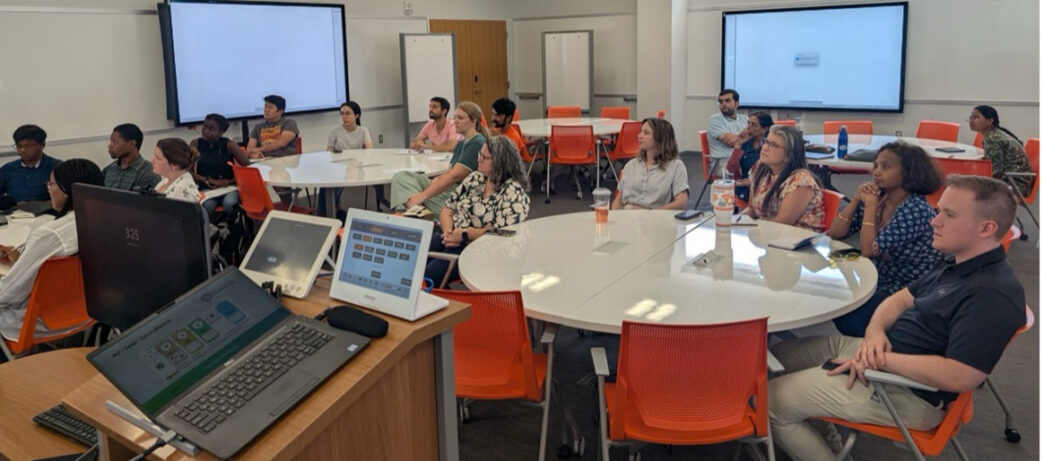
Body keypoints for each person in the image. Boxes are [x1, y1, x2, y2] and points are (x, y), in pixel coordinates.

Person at [768, 175, 1025, 461]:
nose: (934, 221)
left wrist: (876, 361)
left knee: (771, 400)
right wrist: (876, 331)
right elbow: (901, 298)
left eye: (948, 215)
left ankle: (810, 431)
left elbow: (961, 376)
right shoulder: (959, 261)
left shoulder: (990, 295)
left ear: (986, 228)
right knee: (777, 358)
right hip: (883, 354)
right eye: (939, 211)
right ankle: (824, 436)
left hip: (909, 391)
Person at [827, 142, 943, 336]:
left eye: (886, 166)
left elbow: (868, 250)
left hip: (905, 286)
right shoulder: (881, 198)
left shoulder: (915, 208)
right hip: (880, 274)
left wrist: (870, 207)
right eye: (876, 166)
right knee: (830, 278)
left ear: (908, 172)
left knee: (849, 318)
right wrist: (856, 199)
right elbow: (836, 232)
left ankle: (873, 351)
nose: (877, 172)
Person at [0, 159, 104, 341]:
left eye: (51, 183)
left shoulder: (50, 235)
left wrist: (15, 272)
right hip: (88, 312)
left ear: (66, 189)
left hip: (39, 321)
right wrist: (20, 261)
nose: (48, 188)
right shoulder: (109, 222)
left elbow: (10, 293)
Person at [426, 136, 530, 284]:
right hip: (452, 236)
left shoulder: (513, 193)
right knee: (414, 259)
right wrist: (449, 232)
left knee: (426, 276)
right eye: (479, 155)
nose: (479, 159)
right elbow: (448, 208)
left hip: (477, 249)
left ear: (500, 162)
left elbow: (504, 232)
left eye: (484, 157)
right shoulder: (476, 178)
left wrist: (463, 234)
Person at [391, 101, 488, 216]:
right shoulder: (462, 143)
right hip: (449, 188)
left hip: (458, 194)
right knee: (402, 176)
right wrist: (436, 180)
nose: (455, 121)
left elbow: (454, 176)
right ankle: (416, 210)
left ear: (473, 121)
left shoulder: (477, 142)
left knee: (411, 194)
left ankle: (413, 211)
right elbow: (448, 172)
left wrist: (422, 195)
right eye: (455, 117)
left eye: (460, 118)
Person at [742, 125, 825, 231]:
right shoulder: (760, 169)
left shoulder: (801, 181)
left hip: (794, 238)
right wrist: (734, 222)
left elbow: (782, 223)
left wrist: (752, 232)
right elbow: (752, 209)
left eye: (773, 145)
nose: (765, 148)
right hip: (767, 232)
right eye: (766, 142)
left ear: (788, 155)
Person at [610, 118, 689, 210]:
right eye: (640, 132)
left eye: (646, 133)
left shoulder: (676, 167)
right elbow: (618, 201)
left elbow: (681, 203)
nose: (639, 136)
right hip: (628, 216)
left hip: (655, 219)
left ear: (660, 138)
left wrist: (649, 214)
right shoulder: (631, 165)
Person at [191, 113, 250, 215]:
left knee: (229, 203)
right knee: (207, 206)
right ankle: (212, 230)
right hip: (207, 187)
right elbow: (187, 171)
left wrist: (229, 181)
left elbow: (248, 170)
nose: (206, 131)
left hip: (229, 187)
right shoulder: (195, 144)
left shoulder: (229, 145)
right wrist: (206, 180)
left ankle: (234, 229)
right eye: (204, 127)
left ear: (221, 132)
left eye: (211, 129)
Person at [968, 105, 1033, 197]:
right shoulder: (993, 134)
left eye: (976, 117)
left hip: (1016, 185)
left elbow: (995, 171)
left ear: (990, 121)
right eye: (970, 117)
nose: (971, 120)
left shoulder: (993, 139)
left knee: (966, 186)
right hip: (1015, 180)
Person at [2, 125, 61, 202]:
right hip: (15, 212)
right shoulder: (7, 169)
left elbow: (64, 199)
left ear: (42, 145)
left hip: (47, 212)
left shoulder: (57, 167)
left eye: (28, 146)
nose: (23, 150)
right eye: (19, 146)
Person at [725, 111, 772, 203]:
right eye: (748, 123)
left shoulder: (770, 146)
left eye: (753, 125)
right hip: (745, 185)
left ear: (764, 129)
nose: (748, 127)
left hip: (766, 184)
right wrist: (738, 144)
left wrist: (756, 182)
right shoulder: (745, 144)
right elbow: (730, 169)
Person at [103, 123, 161, 192]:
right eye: (111, 141)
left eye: (115, 142)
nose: (110, 146)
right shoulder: (108, 170)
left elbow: (150, 201)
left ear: (132, 143)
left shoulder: (148, 172)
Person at [153, 138, 201, 203]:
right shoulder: (166, 180)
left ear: (174, 164)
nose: (152, 161)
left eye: (158, 158)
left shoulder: (182, 191)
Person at [706, 89, 749, 161]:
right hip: (723, 162)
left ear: (737, 103)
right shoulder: (714, 120)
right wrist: (749, 136)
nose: (724, 104)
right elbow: (729, 141)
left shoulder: (744, 119)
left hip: (743, 159)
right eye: (721, 102)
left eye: (727, 101)